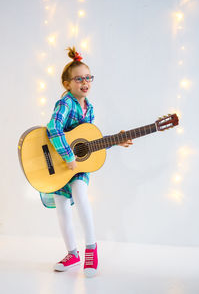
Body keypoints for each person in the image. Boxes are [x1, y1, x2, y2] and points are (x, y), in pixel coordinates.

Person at [40, 46, 133, 278]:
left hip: (77, 167)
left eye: (88, 78)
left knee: (80, 194)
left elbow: (89, 142)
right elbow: (53, 128)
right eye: (79, 78)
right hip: (61, 165)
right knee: (61, 207)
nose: (85, 83)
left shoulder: (88, 108)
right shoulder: (65, 104)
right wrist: (68, 155)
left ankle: (91, 248)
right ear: (67, 84)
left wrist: (115, 141)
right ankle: (72, 253)